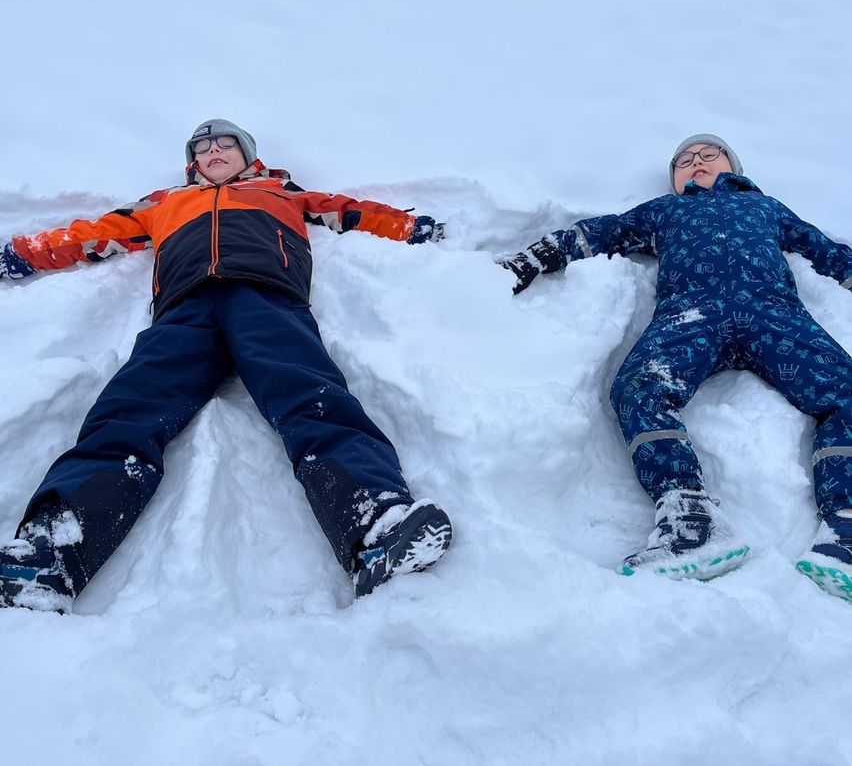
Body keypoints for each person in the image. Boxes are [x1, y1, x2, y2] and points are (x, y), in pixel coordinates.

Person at [0, 118, 452, 612]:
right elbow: (93, 235)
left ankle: (374, 526)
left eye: (225, 143)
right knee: (129, 410)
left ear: (247, 154)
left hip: (267, 300)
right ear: (192, 162)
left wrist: (410, 227)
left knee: (313, 398)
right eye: (202, 147)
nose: (213, 151)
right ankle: (50, 551)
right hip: (185, 309)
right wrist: (23, 253)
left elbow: (350, 212)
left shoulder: (280, 190)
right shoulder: (163, 202)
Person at [502, 133, 852, 602]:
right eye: (683, 161)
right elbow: (605, 230)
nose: (696, 163)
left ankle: (845, 531)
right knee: (639, 388)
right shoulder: (666, 212)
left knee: (845, 390)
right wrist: (538, 255)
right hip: (692, 314)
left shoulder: (766, 208)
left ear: (733, 166)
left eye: (709, 155)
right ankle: (693, 522)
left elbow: (825, 252)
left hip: (775, 314)